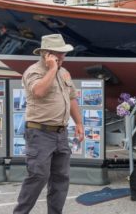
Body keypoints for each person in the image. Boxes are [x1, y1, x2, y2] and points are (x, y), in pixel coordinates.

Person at [13, 34, 84, 214]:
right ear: (46, 54)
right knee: (38, 176)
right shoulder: (33, 71)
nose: (62, 57)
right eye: (58, 54)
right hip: (40, 133)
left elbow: (72, 98)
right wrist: (52, 69)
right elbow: (39, 91)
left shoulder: (64, 72)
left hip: (61, 133)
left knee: (61, 178)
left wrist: (79, 124)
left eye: (63, 54)